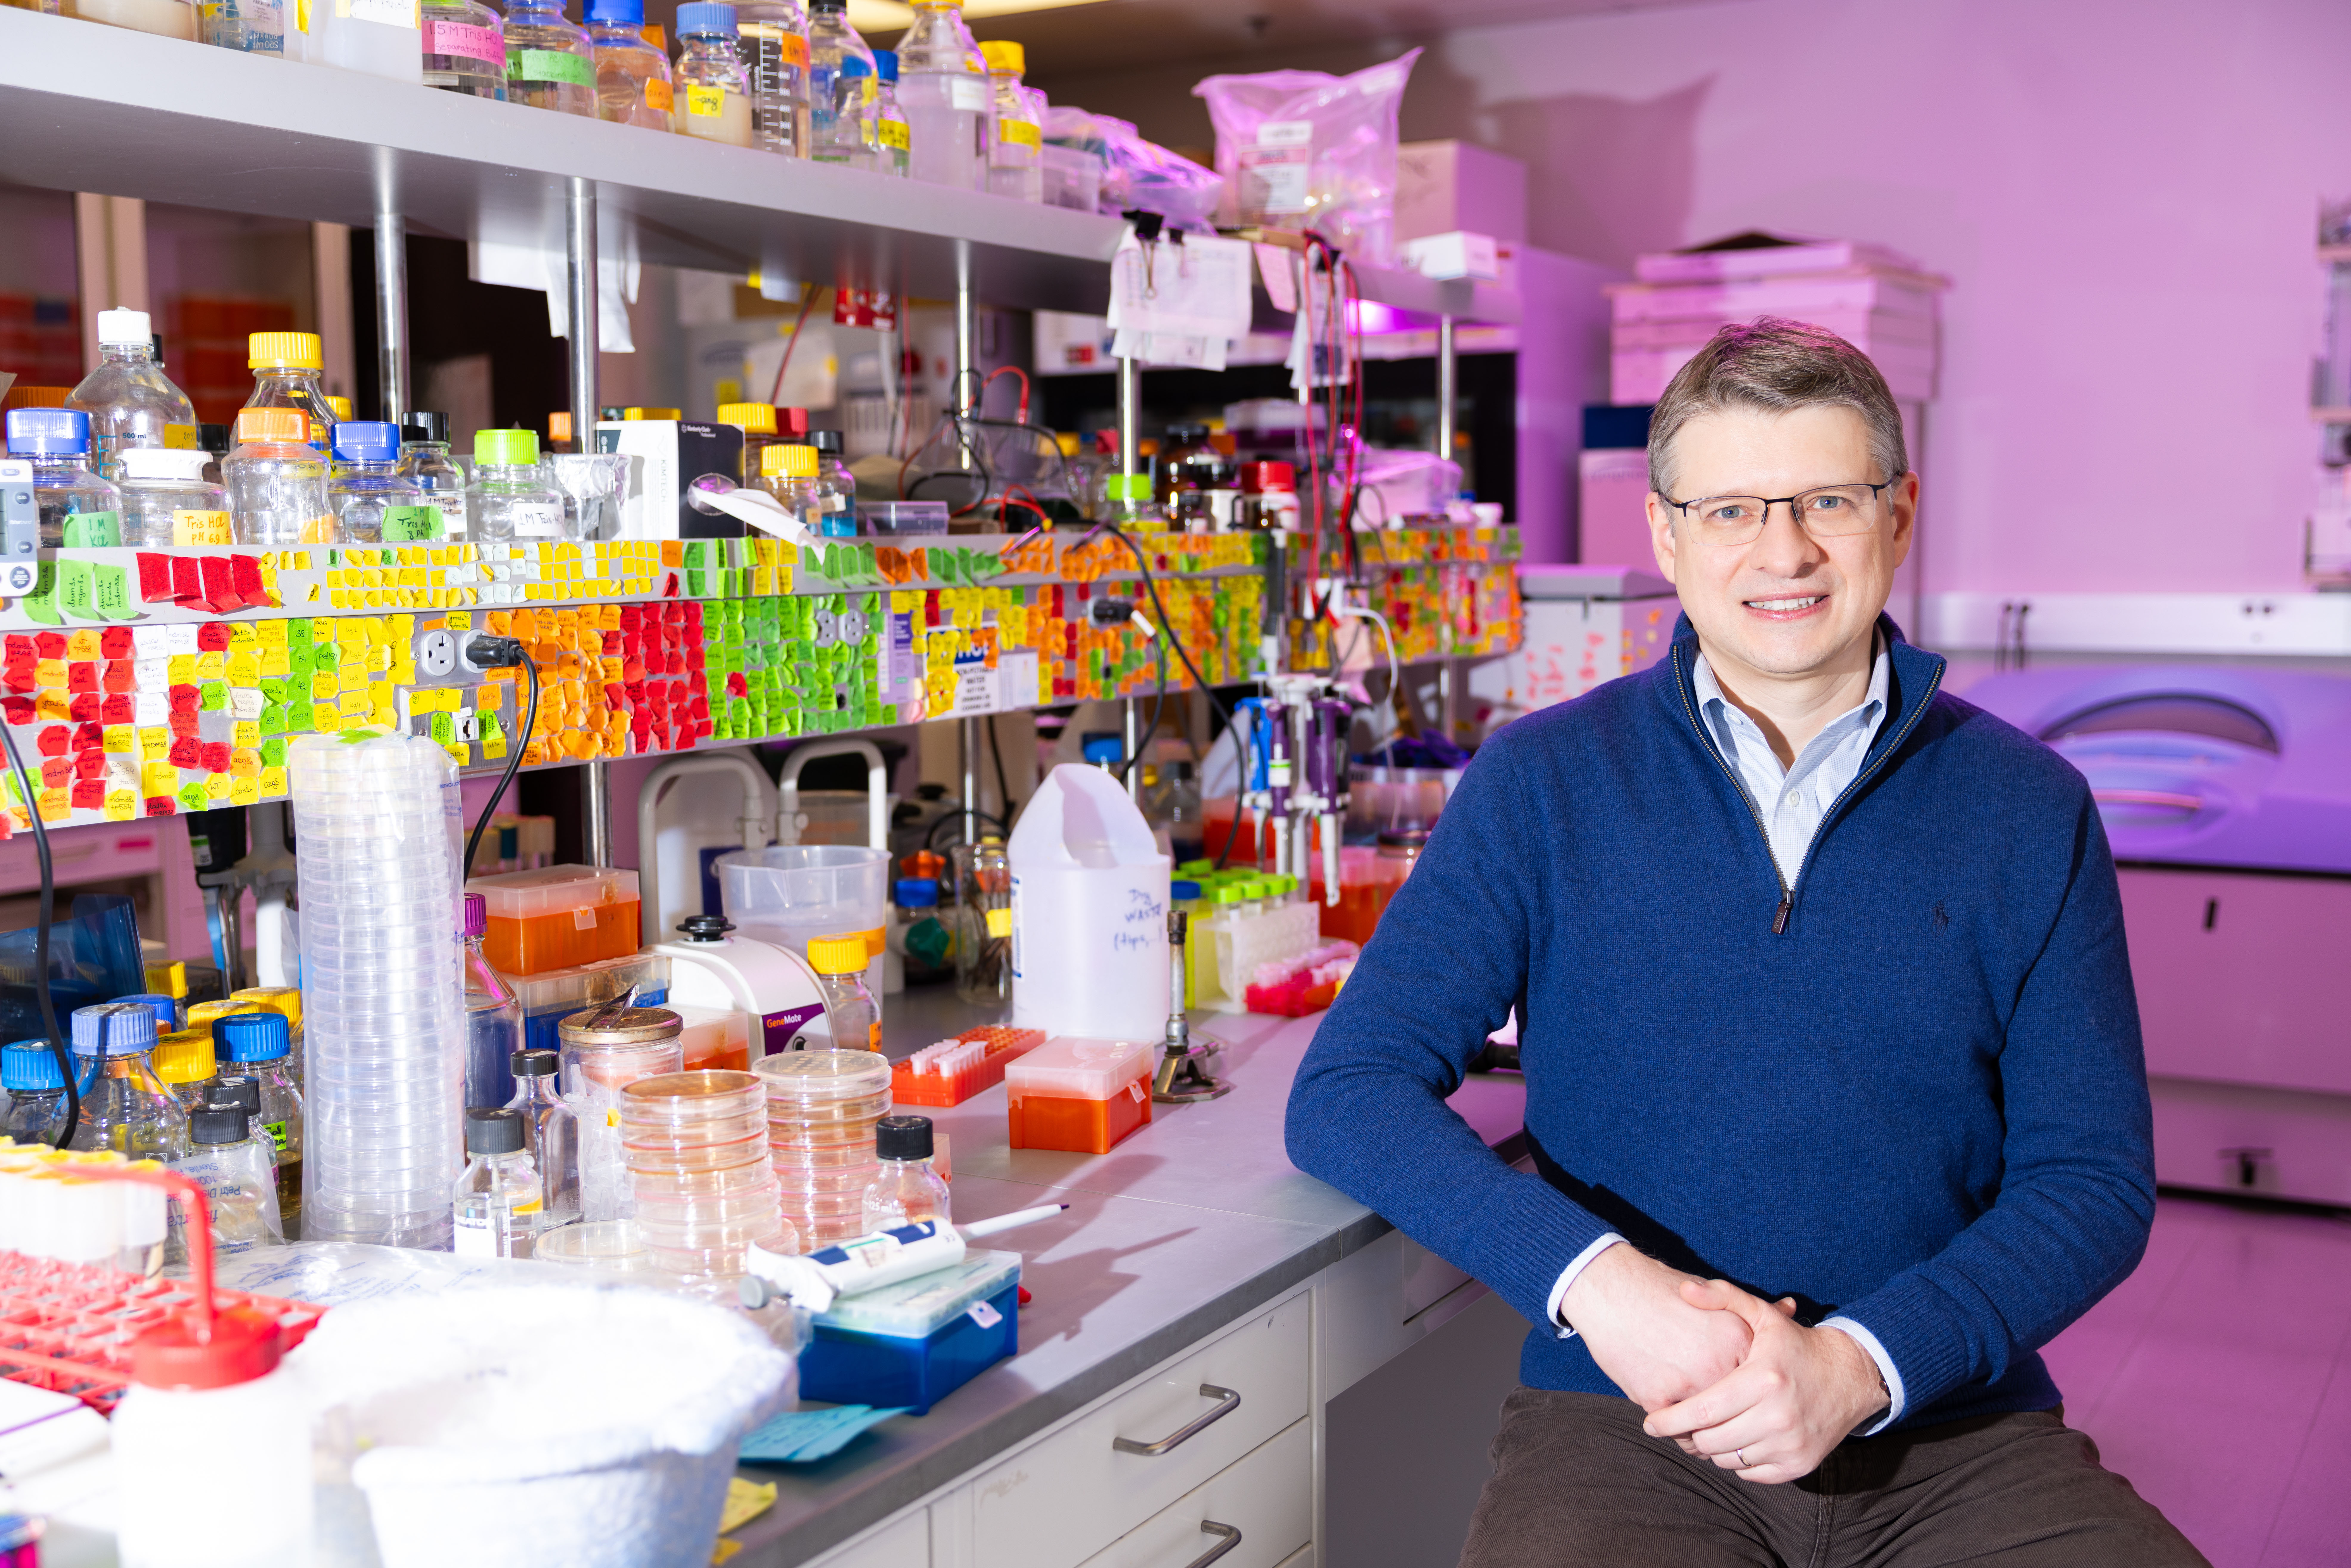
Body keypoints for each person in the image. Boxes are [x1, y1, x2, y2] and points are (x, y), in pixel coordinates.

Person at [1285, 317, 2208, 1566]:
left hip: (1948, 1426)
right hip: (1629, 1423)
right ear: (1665, 531)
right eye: (1727, 509)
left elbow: (2091, 1181)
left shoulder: (2025, 807)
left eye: (1826, 497)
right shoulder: (1542, 783)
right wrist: (1600, 1285)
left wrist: (1858, 1365)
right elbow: (1348, 1087)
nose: (1782, 549)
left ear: (1898, 511)